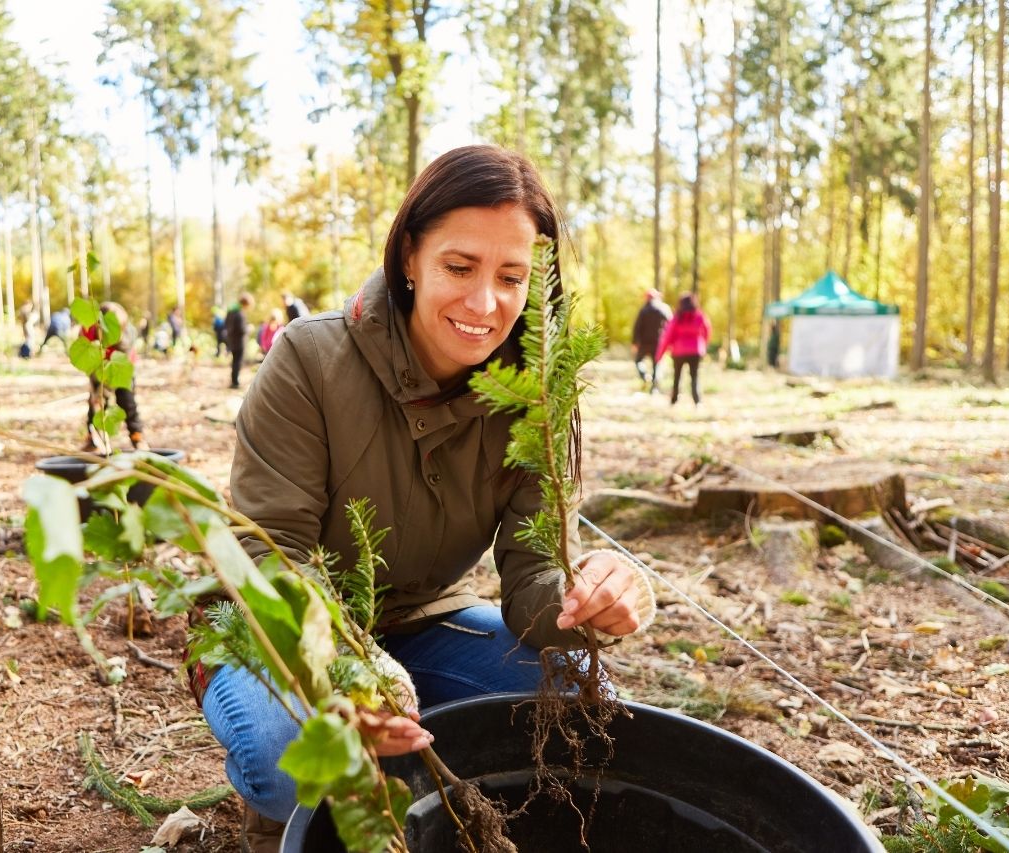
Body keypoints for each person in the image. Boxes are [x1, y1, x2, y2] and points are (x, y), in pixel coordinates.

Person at [197, 145, 657, 851]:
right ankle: (280, 817)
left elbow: (532, 576)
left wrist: (587, 598)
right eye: (459, 267)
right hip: (275, 631)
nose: (485, 303)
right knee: (285, 748)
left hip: (420, 619)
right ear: (410, 256)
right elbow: (267, 554)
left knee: (583, 704)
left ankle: (465, 810)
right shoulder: (309, 362)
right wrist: (348, 667)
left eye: (512, 276)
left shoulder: (537, 395)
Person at [80, 302, 147, 452]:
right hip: (98, 366)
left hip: (122, 366)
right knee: (95, 405)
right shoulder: (88, 330)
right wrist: (97, 391)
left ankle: (137, 437)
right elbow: (85, 356)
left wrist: (107, 388)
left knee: (127, 401)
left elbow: (122, 359)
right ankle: (93, 439)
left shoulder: (126, 335)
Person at [656, 292, 713, 406]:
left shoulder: (677, 318)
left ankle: (674, 400)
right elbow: (707, 330)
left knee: (677, 376)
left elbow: (668, 336)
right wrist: (703, 345)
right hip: (695, 350)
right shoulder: (699, 316)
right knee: (694, 376)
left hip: (679, 351)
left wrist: (659, 355)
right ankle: (697, 401)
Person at [631, 288, 671, 392]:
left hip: (644, 343)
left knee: (638, 361)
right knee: (656, 365)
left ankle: (645, 376)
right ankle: (654, 389)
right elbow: (670, 324)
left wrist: (635, 342)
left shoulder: (643, 310)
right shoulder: (663, 309)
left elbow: (637, 327)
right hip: (658, 342)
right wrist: (669, 342)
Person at [224, 293, 253, 389]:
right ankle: (235, 382)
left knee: (234, 361)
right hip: (239, 342)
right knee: (237, 362)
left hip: (231, 340)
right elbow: (242, 329)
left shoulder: (231, 311)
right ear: (245, 304)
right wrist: (249, 328)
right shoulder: (240, 313)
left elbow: (226, 324)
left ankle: (233, 380)